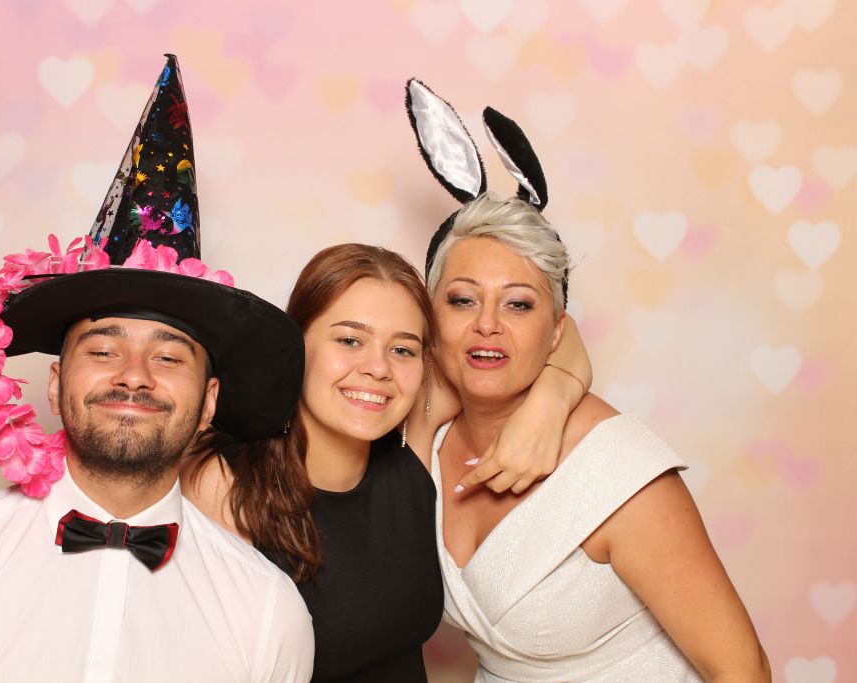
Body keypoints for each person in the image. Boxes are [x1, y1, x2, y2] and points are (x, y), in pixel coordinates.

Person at [0, 54, 314, 682]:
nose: (134, 374)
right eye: (104, 350)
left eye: (169, 356)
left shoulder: (267, 611)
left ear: (210, 401)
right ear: (57, 383)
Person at [408, 79, 770, 681]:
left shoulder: (617, 470)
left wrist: (554, 397)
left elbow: (743, 669)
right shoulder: (422, 432)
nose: (488, 324)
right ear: (432, 317)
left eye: (519, 304)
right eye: (463, 300)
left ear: (557, 332)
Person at [184, 242, 592, 682]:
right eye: (349, 340)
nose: (378, 368)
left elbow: (553, 332)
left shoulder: (412, 440)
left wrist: (548, 406)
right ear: (295, 344)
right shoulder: (224, 484)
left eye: (402, 350)